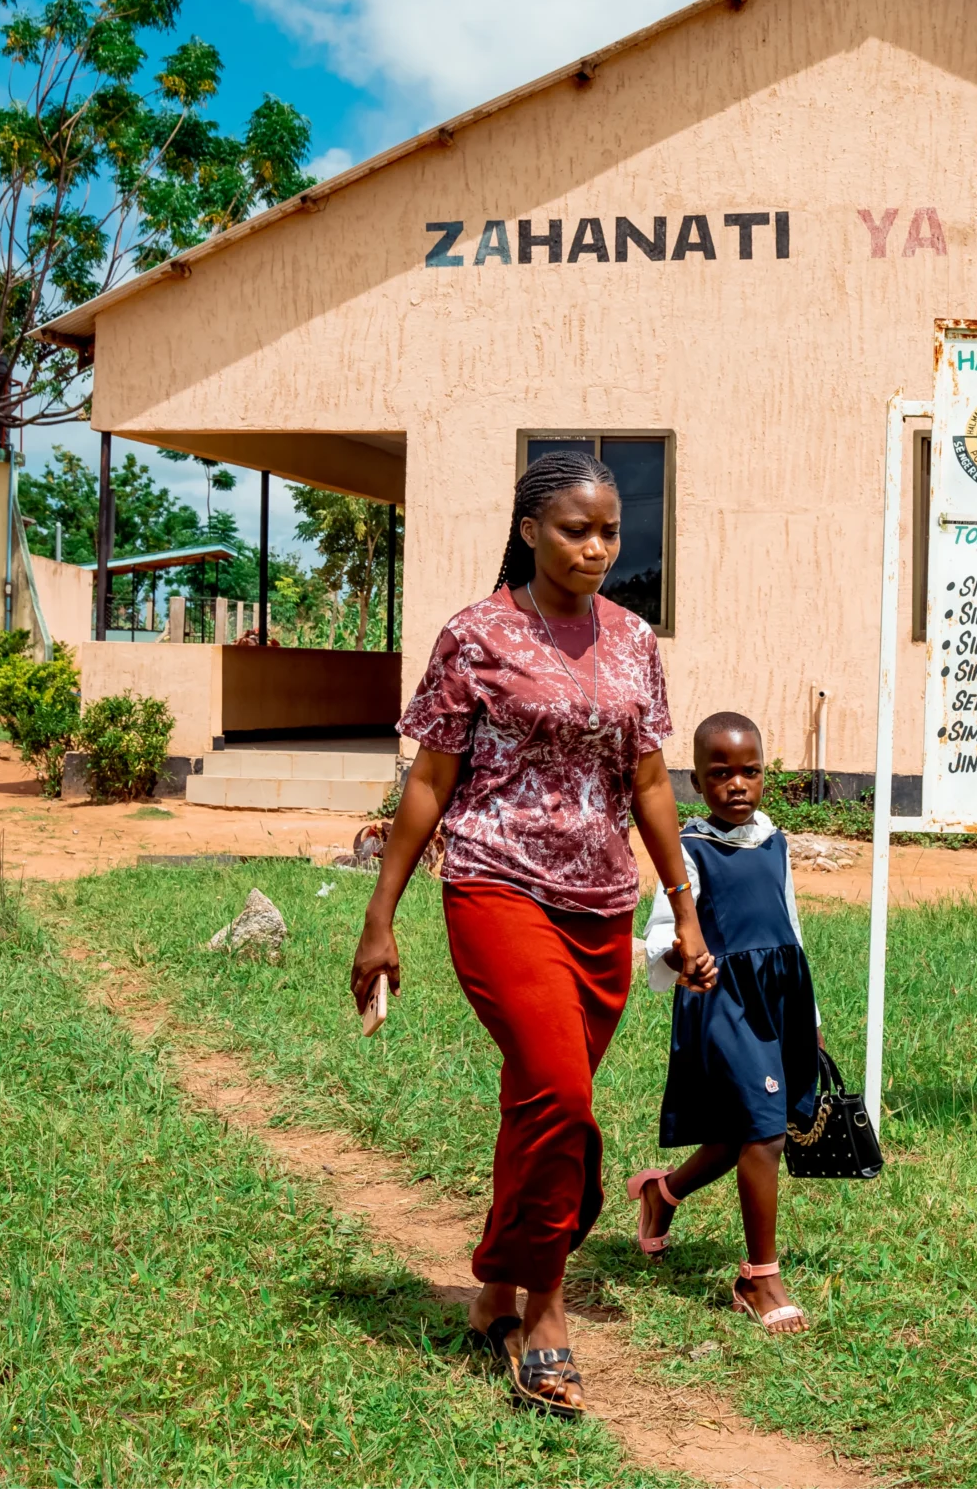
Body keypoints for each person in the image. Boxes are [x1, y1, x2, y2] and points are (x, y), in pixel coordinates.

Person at [350, 451, 717, 1418]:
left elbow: (647, 782)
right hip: (493, 885)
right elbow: (429, 780)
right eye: (575, 530)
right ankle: (546, 1312)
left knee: (539, 1105)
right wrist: (380, 915)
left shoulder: (635, 639)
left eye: (609, 532)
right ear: (529, 529)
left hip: (600, 902)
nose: (596, 549)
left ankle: (494, 1292)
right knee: (564, 1092)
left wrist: (681, 904)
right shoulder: (475, 635)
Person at [627, 712, 821, 1335]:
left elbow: (790, 925)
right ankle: (759, 1277)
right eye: (720, 774)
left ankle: (663, 1194)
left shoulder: (775, 841)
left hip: (779, 998)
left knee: (750, 1130)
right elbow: (659, 932)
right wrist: (684, 955)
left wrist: (809, 1015)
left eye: (750, 771)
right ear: (695, 780)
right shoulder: (689, 849)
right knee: (764, 1134)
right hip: (725, 1003)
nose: (737, 784)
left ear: (765, 774)